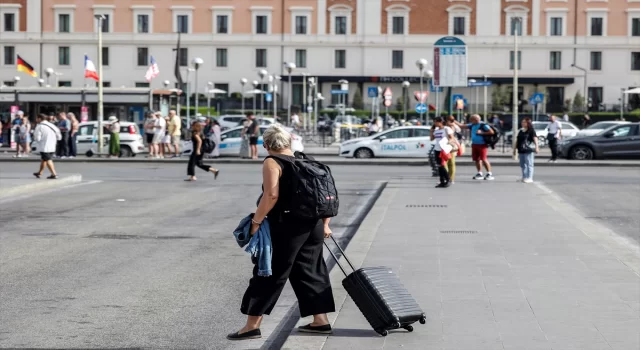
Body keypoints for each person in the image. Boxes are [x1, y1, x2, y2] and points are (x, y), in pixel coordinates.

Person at [228, 125, 335, 341]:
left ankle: (251, 326)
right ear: (288, 143)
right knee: (311, 270)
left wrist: (256, 222)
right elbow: (325, 195)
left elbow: (271, 196)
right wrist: (325, 224)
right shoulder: (306, 160)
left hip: (287, 226)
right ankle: (320, 320)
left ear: (266, 145)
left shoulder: (272, 161)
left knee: (268, 272)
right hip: (313, 225)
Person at [455, 114, 495, 180]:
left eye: (471, 120)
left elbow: (491, 132)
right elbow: (461, 126)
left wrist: (481, 133)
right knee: (477, 159)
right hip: (474, 144)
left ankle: (489, 173)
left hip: (482, 144)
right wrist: (453, 121)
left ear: (476, 120)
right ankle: (479, 173)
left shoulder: (483, 125)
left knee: (484, 158)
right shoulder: (472, 125)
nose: (470, 121)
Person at [33, 113, 61, 179]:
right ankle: (40, 172)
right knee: (44, 159)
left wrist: (36, 140)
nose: (36, 119)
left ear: (39, 118)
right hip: (53, 145)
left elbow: (37, 138)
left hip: (44, 146)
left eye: (37, 118)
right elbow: (59, 137)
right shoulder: (52, 125)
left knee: (48, 159)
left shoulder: (39, 126)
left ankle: (54, 174)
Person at [430, 117, 455, 188]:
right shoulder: (436, 130)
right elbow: (431, 139)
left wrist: (447, 142)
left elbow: (451, 138)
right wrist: (431, 131)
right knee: (439, 166)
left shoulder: (447, 129)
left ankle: (448, 179)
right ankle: (442, 181)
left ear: (441, 121)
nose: (434, 123)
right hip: (437, 149)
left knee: (442, 165)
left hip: (444, 149)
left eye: (435, 122)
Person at [514, 117, 539, 183]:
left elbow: (535, 139)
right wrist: (515, 149)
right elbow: (517, 140)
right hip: (521, 149)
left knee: (529, 164)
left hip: (528, 149)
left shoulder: (531, 130)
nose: (522, 123)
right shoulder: (521, 131)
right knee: (522, 164)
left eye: (524, 122)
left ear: (528, 123)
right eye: (522, 122)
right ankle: (524, 177)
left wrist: (537, 147)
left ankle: (530, 178)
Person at [445, 116, 462, 184]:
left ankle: (451, 179)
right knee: (444, 163)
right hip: (444, 145)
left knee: (451, 163)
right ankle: (445, 178)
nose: (451, 122)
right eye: (450, 120)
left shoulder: (454, 126)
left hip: (452, 146)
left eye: (452, 120)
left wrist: (453, 124)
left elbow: (459, 130)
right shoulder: (443, 127)